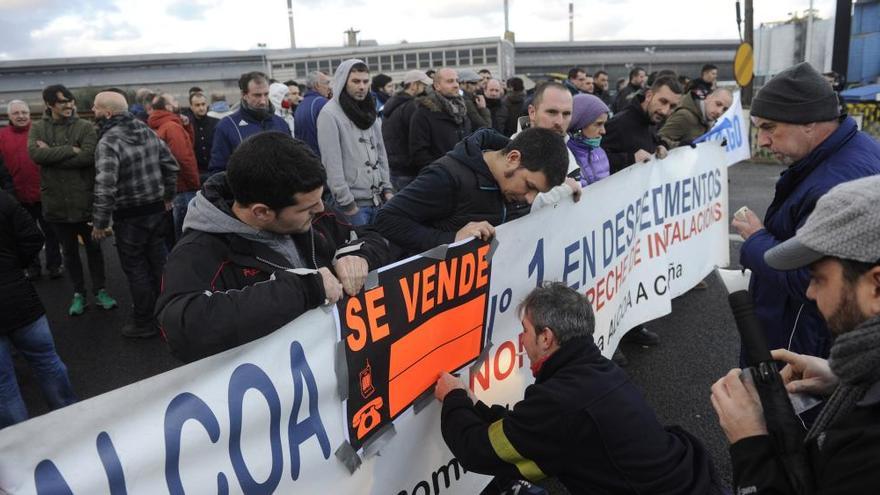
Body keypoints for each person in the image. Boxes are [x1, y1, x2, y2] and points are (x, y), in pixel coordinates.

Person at [437, 282, 721, 494]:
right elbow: (528, 431)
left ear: (546, 337)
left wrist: (452, 398)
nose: (521, 340)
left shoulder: (562, 400)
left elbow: (478, 451)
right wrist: (472, 404)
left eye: (524, 329)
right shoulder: (597, 369)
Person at [156, 132, 392, 363]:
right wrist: (304, 290)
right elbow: (182, 329)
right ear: (262, 212)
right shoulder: (199, 251)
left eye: (321, 198)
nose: (320, 208)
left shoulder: (316, 214)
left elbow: (372, 237)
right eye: (307, 208)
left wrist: (360, 255)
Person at [711, 175, 880, 494]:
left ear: (876, 287)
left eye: (819, 278)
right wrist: (844, 383)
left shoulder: (869, 452)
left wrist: (751, 443)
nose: (811, 292)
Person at [732, 61, 880, 360]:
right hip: (815, 337)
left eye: (769, 127)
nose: (762, 140)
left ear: (809, 121)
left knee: (778, 407)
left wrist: (756, 240)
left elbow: (813, 279)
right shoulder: (850, 150)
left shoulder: (834, 184)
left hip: (805, 342)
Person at [374, 127, 568, 257]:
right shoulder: (446, 176)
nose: (529, 199)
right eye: (530, 186)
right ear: (513, 158)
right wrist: (452, 239)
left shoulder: (517, 177)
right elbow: (386, 220)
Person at [92, 91, 179, 338]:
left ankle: (144, 322)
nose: (93, 110)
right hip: (156, 210)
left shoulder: (108, 141)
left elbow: (105, 186)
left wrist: (100, 222)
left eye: (96, 107)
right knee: (159, 265)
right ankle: (168, 317)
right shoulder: (147, 131)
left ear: (108, 112)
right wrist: (168, 196)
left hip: (129, 216)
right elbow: (171, 165)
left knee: (136, 269)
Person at [28, 84, 117, 316]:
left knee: (95, 250)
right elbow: (36, 155)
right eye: (62, 102)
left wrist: (53, 154)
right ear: (49, 104)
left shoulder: (86, 126)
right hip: (56, 204)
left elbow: (88, 157)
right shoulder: (38, 128)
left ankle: (101, 290)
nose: (68, 105)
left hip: (85, 202)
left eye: (70, 101)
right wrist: (71, 150)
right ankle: (79, 293)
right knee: (69, 253)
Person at [0, 190, 77, 429]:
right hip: (19, 297)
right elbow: (33, 237)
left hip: (16, 292)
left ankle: (24, 446)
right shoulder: (3, 198)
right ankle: (73, 424)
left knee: (3, 384)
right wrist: (13, 267)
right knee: (47, 361)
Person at [316, 59, 392, 226]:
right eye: (356, 81)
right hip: (353, 206)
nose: (362, 86)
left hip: (379, 200)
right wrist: (347, 203)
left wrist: (387, 188)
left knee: (382, 249)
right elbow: (331, 163)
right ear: (343, 81)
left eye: (365, 81)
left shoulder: (369, 109)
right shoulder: (329, 114)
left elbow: (381, 152)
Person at [0, 100, 62, 280]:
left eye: (24, 112)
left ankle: (55, 265)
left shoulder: (40, 131)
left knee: (51, 233)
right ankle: (33, 268)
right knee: (25, 235)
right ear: (9, 116)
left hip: (44, 193)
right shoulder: (2, 136)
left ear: (29, 114)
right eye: (16, 113)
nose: (21, 116)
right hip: (16, 196)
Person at [208, 71, 290, 174]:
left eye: (266, 94)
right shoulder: (226, 126)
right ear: (244, 95)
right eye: (257, 95)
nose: (263, 101)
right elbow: (218, 171)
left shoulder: (281, 123)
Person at [148, 93, 200, 242]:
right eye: (174, 100)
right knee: (185, 235)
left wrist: (187, 126)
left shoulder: (161, 124)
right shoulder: (172, 127)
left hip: (171, 187)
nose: (177, 102)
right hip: (183, 187)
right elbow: (183, 158)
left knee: (172, 233)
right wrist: (194, 183)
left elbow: (187, 144)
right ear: (168, 107)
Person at [603, 75, 683, 173]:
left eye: (672, 106)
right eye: (663, 101)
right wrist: (630, 159)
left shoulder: (652, 119)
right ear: (649, 96)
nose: (665, 111)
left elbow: (649, 141)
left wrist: (661, 146)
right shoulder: (619, 123)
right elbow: (594, 161)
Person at [408, 68, 472, 173]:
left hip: (464, 176)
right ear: (437, 86)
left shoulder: (462, 110)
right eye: (450, 81)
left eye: (457, 81)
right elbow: (419, 153)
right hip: (441, 177)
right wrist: (442, 171)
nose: (456, 85)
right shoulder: (423, 113)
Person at [381, 70, 433, 191]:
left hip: (396, 167)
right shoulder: (411, 106)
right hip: (409, 169)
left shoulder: (393, 103)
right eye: (424, 85)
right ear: (414, 85)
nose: (426, 89)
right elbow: (417, 137)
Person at [659, 87, 732, 149]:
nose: (719, 111)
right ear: (708, 97)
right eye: (718, 104)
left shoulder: (706, 120)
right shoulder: (686, 116)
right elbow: (658, 140)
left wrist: (714, 148)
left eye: (724, 109)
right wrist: (680, 145)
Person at [567, 93, 611, 185]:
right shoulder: (563, 156)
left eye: (604, 124)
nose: (603, 131)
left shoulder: (600, 152)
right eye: (598, 124)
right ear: (579, 124)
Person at [294, 71, 332, 157]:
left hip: (305, 159)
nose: (329, 87)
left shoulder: (300, 105)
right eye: (327, 83)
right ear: (317, 85)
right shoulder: (322, 103)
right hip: (320, 159)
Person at [188, 92, 218, 182]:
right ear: (191, 107)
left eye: (203, 104)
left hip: (214, 170)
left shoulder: (216, 123)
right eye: (197, 105)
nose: (201, 108)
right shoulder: (188, 126)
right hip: (197, 172)